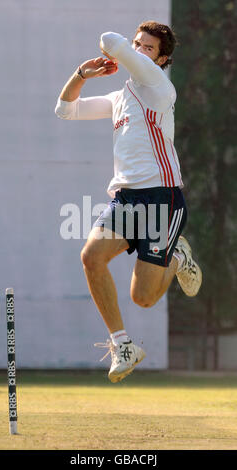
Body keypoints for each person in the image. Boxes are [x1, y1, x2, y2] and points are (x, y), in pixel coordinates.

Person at [55, 21, 202, 383]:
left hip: (161, 198)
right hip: (126, 199)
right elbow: (66, 110)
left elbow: (108, 40)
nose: (138, 50)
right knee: (91, 257)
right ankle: (123, 345)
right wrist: (81, 74)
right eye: (136, 44)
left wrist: (116, 50)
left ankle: (178, 255)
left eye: (147, 47)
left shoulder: (158, 87)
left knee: (144, 298)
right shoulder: (121, 97)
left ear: (162, 59)